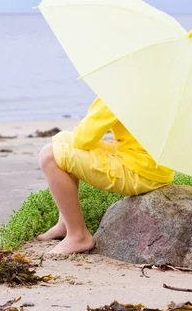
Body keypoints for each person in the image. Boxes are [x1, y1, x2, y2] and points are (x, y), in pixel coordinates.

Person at [37, 96, 175, 254]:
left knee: (49, 156)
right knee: (62, 139)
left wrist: (102, 100)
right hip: (153, 166)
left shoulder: (119, 91)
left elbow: (83, 139)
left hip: (139, 172)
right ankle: (65, 223)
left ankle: (78, 236)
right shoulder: (153, 86)